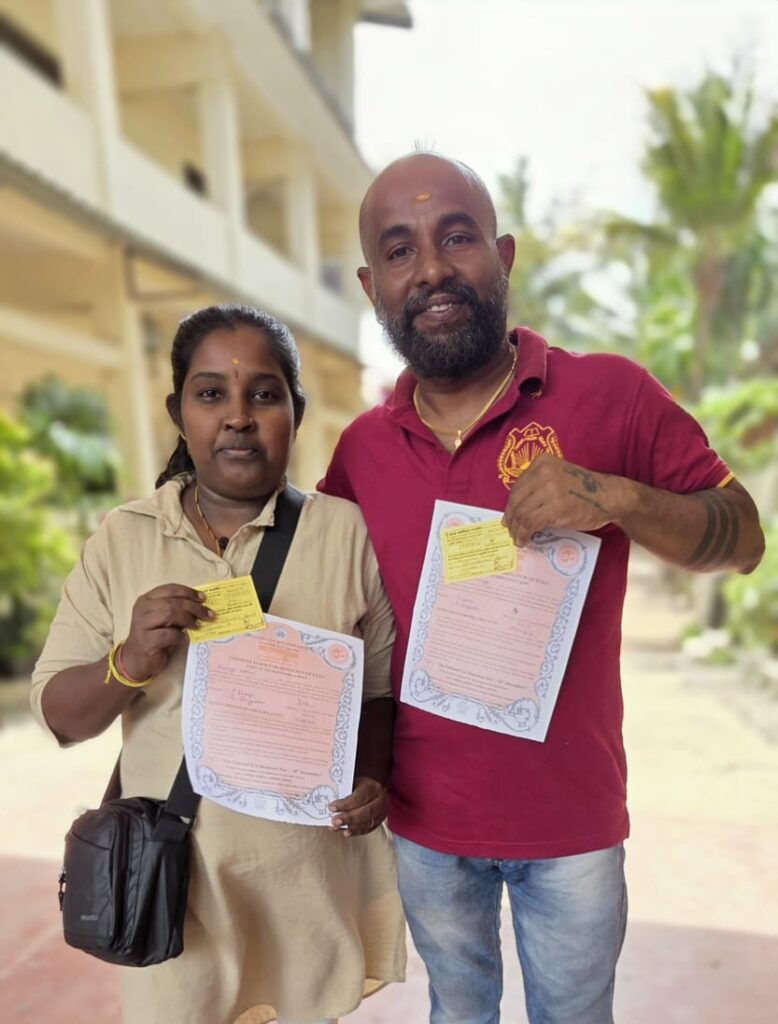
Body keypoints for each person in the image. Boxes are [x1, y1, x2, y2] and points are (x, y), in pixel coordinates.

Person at [318, 153, 766, 1024]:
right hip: (425, 825)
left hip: (571, 826)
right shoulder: (361, 450)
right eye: (400, 251)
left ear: (504, 255)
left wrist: (616, 496)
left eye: (457, 237)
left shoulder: (611, 394)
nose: (432, 268)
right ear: (373, 286)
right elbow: (335, 612)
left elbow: (743, 537)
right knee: (458, 1012)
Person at [31, 305, 406, 1024]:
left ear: (296, 412)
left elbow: (378, 692)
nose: (237, 417)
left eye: (264, 395)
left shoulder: (344, 534)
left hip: (303, 889)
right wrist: (129, 661)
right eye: (211, 394)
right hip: (174, 897)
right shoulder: (123, 540)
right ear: (179, 412)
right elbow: (61, 716)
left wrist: (373, 777)